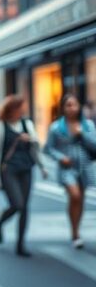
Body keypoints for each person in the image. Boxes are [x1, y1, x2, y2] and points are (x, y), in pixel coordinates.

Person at [0, 95, 45, 257]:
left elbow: (36, 145)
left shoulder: (27, 124)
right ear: (12, 109)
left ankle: (21, 244)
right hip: (8, 171)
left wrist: (42, 166)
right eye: (20, 107)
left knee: (25, 207)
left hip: (26, 168)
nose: (23, 110)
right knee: (17, 204)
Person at [43, 94, 96, 249]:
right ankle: (74, 232)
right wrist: (61, 157)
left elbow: (94, 145)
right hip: (67, 168)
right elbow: (48, 149)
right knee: (74, 195)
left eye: (74, 104)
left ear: (79, 106)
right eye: (68, 105)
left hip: (85, 167)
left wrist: (82, 135)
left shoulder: (88, 125)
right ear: (63, 108)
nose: (71, 108)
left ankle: (76, 230)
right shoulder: (56, 127)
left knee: (80, 200)